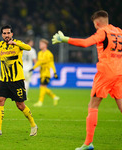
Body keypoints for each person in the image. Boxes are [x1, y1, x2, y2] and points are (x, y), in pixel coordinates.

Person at [52, 10, 122, 150]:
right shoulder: (119, 32)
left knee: (93, 106)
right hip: (119, 72)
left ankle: (88, 143)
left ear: (96, 23)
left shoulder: (103, 32)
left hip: (105, 73)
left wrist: (65, 39)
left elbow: (85, 43)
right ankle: (88, 143)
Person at [29, 38, 59, 107]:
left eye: (41, 44)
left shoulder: (49, 54)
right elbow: (39, 62)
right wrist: (33, 68)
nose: (40, 45)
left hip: (46, 73)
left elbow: (52, 63)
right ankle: (54, 97)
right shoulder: (39, 53)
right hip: (41, 73)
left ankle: (40, 102)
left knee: (42, 87)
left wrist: (55, 73)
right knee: (43, 87)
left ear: (45, 45)